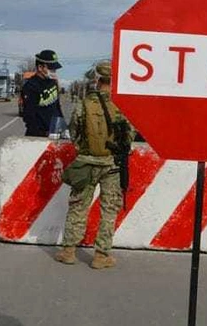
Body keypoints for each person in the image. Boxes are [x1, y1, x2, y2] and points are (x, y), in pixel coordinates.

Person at [55, 60, 134, 269]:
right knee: (109, 209)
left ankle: (69, 251)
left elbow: (74, 131)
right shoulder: (123, 103)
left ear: (97, 79)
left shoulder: (84, 103)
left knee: (78, 206)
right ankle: (101, 255)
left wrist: (84, 150)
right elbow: (129, 134)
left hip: (87, 163)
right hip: (113, 164)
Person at [21, 49, 64, 137]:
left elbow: (57, 107)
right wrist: (42, 133)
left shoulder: (53, 82)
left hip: (55, 132)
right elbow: (29, 116)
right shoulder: (31, 87)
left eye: (55, 69)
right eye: (51, 68)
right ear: (40, 67)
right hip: (38, 136)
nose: (54, 71)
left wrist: (62, 126)